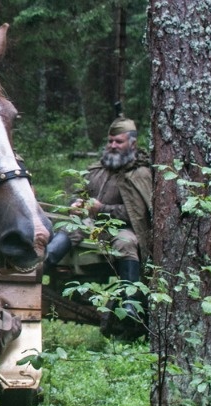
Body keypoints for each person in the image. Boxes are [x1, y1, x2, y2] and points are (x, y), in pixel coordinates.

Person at [44, 115, 153, 338]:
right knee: (69, 227)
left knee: (126, 242)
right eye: (110, 141)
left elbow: (137, 214)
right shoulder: (96, 169)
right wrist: (75, 204)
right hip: (90, 224)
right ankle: (42, 266)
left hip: (120, 227)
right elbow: (77, 194)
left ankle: (130, 302)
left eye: (119, 141)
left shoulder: (140, 173)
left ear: (132, 143)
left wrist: (102, 209)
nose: (113, 145)